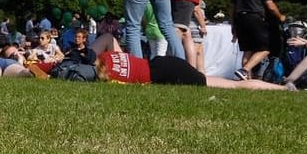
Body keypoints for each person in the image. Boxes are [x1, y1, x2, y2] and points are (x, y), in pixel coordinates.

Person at [96, 48, 288, 90]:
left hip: (164, 74)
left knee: (232, 86)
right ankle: (199, 55)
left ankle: (283, 89)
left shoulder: (111, 79)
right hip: (162, 62)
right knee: (207, 77)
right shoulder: (108, 55)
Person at [230, 0, 284, 80]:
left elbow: (233, 8)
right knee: (265, 49)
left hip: (240, 19)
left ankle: (247, 79)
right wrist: (280, 17)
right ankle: (244, 70)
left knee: (247, 49)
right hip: (255, 19)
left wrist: (233, 25)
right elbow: (270, 6)